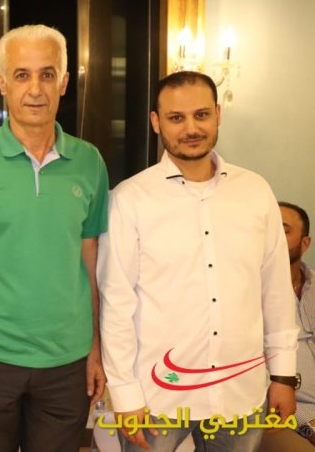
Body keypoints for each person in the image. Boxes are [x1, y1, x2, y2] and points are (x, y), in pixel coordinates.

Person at [98, 70, 298, 451]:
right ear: (156, 122)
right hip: (157, 397)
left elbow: (275, 290)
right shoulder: (130, 199)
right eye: (176, 118)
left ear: (218, 115)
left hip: (241, 392)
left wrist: (283, 376)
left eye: (201, 115)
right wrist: (125, 393)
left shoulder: (255, 192)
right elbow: (117, 304)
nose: (191, 128)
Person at [0, 24, 109, 451]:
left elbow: (90, 262)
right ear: (2, 83)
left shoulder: (89, 162)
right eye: (22, 75)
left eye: (47, 75)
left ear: (64, 82)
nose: (35, 89)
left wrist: (95, 349)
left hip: (67, 364)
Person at [260, 202, 314, 450]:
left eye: (283, 230)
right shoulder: (244, 295)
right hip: (281, 414)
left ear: (305, 243)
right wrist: (309, 423)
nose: (271, 238)